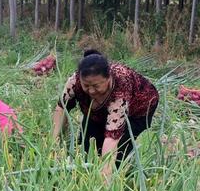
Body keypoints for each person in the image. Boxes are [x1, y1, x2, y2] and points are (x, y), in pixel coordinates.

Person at [52, 49, 159, 182]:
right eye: (86, 85)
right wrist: (52, 143)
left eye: (96, 86)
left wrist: (104, 180)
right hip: (97, 110)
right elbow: (61, 108)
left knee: (119, 153)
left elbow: (112, 138)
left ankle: (115, 182)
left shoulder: (121, 87)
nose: (91, 90)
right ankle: (84, 178)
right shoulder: (75, 81)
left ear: (108, 78)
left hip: (137, 109)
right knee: (86, 148)